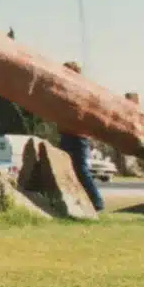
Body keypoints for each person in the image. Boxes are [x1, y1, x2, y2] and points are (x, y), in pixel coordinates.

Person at [58, 61, 106, 212]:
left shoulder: (80, 92)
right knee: (67, 168)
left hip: (77, 136)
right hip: (67, 134)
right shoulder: (67, 90)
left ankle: (97, 202)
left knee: (81, 169)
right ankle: (76, 200)